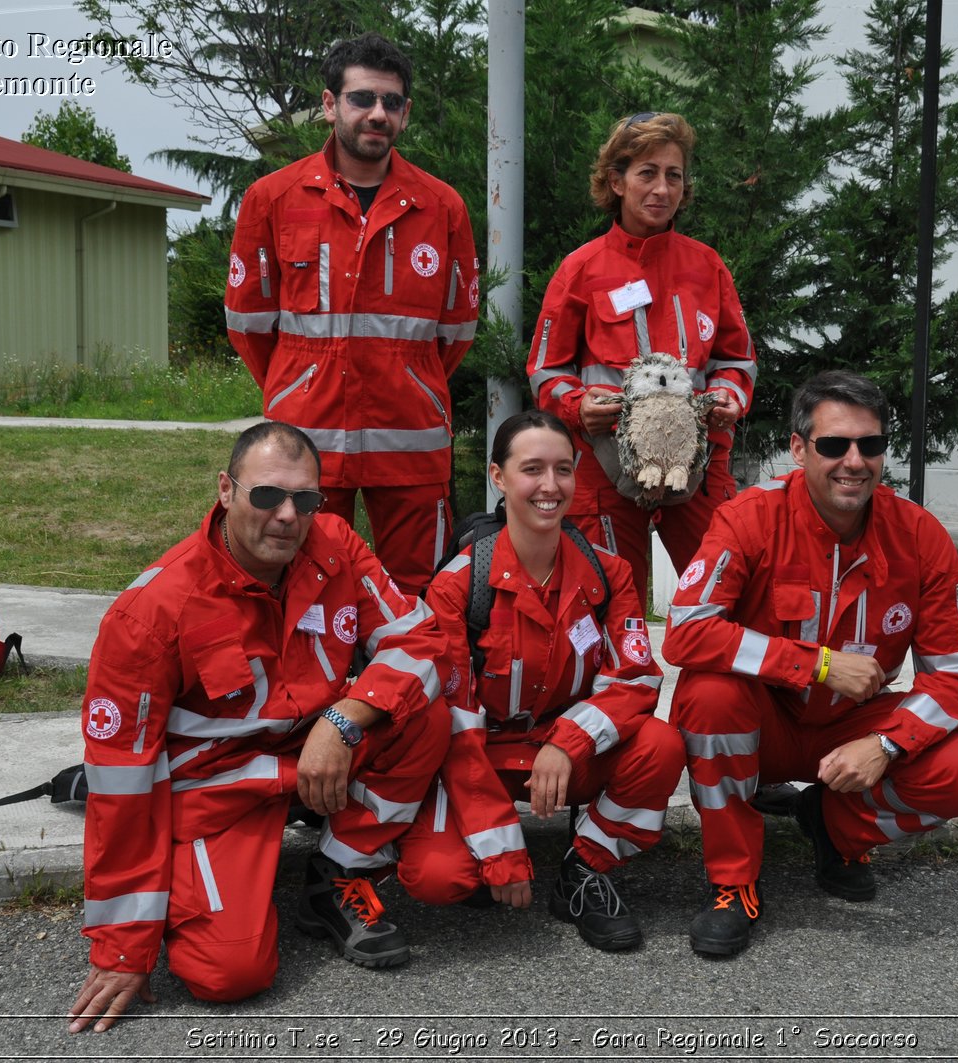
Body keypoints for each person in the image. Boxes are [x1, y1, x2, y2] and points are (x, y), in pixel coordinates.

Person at [67, 422, 450, 1033]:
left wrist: (345, 718)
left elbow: (421, 642)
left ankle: (338, 877)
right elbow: (122, 785)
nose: (288, 517)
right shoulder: (150, 613)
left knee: (426, 710)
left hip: (316, 753)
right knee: (228, 975)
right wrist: (123, 948)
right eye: (267, 496)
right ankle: (204, 876)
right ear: (225, 490)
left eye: (307, 499)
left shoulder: (336, 545)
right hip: (220, 789)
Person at [661, 370, 958, 957]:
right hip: (764, 722)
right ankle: (733, 883)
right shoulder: (749, 517)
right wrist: (816, 664)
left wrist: (887, 745)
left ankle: (834, 826)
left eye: (870, 445)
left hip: (850, 729)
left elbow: (957, 672)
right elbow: (687, 633)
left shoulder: (920, 535)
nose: (854, 461)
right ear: (798, 448)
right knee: (708, 695)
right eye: (834, 445)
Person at [396, 410, 684, 950]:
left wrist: (569, 743)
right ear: (499, 478)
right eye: (532, 470)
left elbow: (637, 679)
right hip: (479, 757)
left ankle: (584, 870)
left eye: (563, 470)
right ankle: (484, 854)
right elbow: (453, 724)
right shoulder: (458, 586)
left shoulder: (609, 573)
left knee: (660, 745)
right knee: (439, 879)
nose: (550, 486)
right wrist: (500, 849)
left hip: (564, 757)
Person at [226, 31, 479, 597]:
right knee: (300, 584)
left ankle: (408, 686)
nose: (377, 114)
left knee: (420, 594)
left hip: (410, 439)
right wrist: (299, 381)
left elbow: (456, 331)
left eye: (391, 102)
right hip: (305, 441)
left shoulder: (443, 207)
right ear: (329, 104)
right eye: (362, 98)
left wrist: (409, 378)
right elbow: (248, 326)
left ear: (406, 113)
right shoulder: (272, 198)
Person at [526, 112, 756, 609]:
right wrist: (578, 407)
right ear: (616, 180)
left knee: (730, 598)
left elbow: (737, 357)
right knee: (608, 606)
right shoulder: (581, 268)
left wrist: (730, 399)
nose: (662, 188)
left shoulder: (707, 266)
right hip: (603, 471)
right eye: (646, 173)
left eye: (673, 175)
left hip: (698, 468)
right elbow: (546, 369)